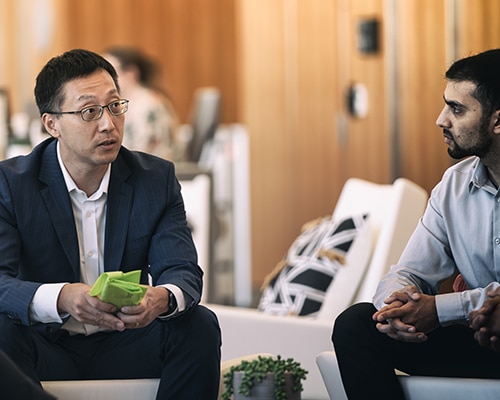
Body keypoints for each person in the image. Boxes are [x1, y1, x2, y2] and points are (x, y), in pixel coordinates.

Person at [0, 49, 221, 399]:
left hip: (128, 341)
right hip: (45, 344)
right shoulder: (11, 184)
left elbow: (182, 271)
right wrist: (61, 297)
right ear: (51, 124)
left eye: (115, 106)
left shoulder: (155, 179)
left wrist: (160, 299)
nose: (108, 124)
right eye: (89, 111)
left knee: (198, 325)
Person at [332, 48, 500, 399]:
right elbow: (409, 270)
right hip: (481, 340)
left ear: (497, 121)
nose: (441, 119)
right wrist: (398, 306)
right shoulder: (453, 186)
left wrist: (439, 310)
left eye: (457, 109)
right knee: (356, 325)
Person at [103, 46, 179, 160]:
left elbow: (140, 152)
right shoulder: (129, 102)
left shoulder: (148, 105)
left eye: (110, 72)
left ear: (131, 73)